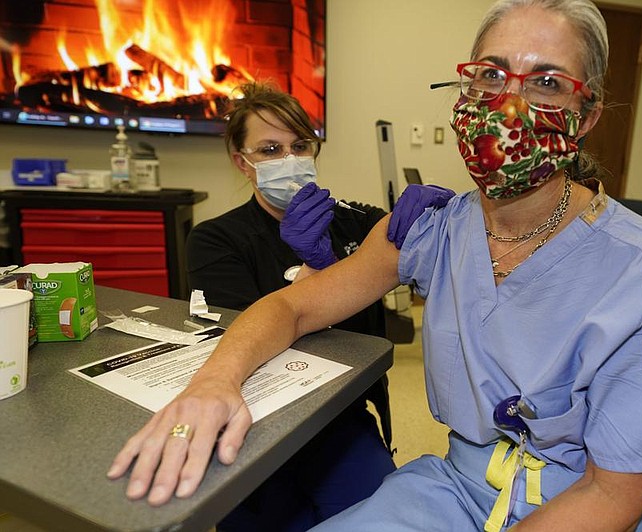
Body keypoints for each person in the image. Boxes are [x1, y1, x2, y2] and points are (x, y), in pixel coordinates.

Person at [108, 1, 642, 530]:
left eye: (547, 82)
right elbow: (294, 305)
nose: (509, 105)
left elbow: (613, 495)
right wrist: (212, 385)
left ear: (586, 116)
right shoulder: (436, 229)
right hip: (459, 490)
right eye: (491, 76)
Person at [182, 81, 453, 531]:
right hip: (255, 426)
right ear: (242, 163)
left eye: (299, 145)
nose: (289, 160)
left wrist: (451, 218)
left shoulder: (357, 221)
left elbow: (368, 335)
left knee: (381, 515)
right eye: (270, 149)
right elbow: (236, 341)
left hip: (339, 420)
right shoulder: (215, 240)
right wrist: (316, 271)